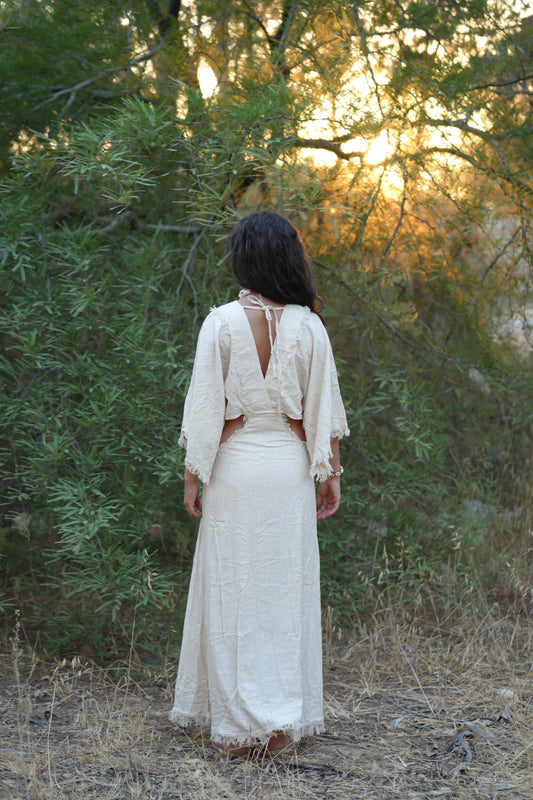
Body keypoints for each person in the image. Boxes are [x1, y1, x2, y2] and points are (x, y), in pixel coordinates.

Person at [170, 211, 349, 756]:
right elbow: (323, 412)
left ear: (245, 257)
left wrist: (192, 477)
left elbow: (204, 411)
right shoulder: (310, 326)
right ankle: (277, 729)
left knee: (232, 593)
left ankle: (235, 726)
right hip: (288, 470)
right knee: (282, 593)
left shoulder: (220, 322)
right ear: (287, 258)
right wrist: (331, 475)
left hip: (236, 466)